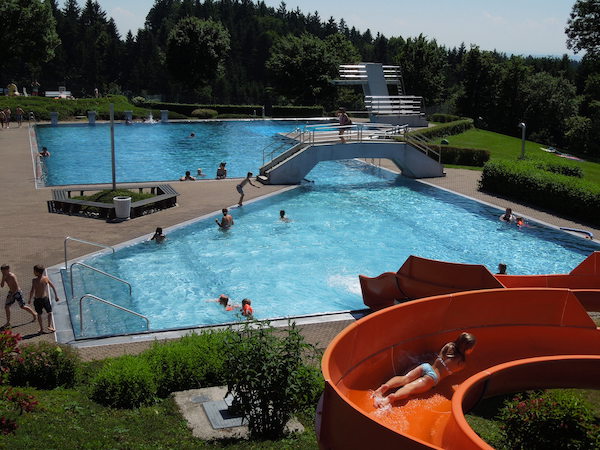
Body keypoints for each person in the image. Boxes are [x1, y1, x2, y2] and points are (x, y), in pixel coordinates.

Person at [373, 332, 477, 408]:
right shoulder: (461, 363)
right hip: (432, 378)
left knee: (405, 378)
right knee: (410, 388)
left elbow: (439, 356)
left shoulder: (449, 346)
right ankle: (391, 398)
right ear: (467, 349)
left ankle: (384, 387)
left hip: (426, 366)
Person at [1, 264, 37, 329]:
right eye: (2, 272)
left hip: (17, 292)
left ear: (8, 270)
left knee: (22, 306)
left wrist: (12, 295)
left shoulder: (12, 276)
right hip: (11, 292)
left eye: (3, 271)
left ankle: (34, 314)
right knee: (6, 307)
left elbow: (16, 287)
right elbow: (2, 285)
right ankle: (8, 322)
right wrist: (3, 278)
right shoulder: (5, 276)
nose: (2, 273)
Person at [29, 265, 59, 334]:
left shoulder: (34, 280)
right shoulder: (45, 278)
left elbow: (32, 291)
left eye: (34, 271)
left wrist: (30, 299)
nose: (33, 272)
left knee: (41, 314)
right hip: (44, 299)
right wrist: (56, 296)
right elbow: (53, 287)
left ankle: (44, 328)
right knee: (49, 312)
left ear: (37, 272)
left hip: (38, 299)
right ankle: (47, 326)